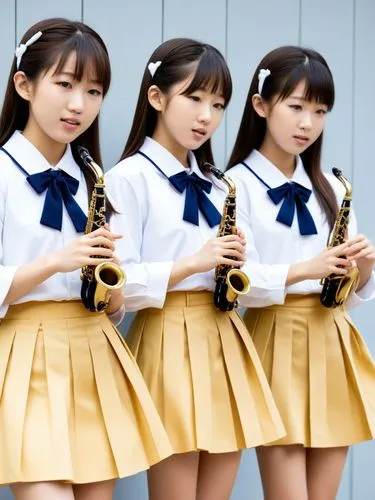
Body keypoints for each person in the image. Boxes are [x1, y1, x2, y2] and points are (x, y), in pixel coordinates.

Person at [105, 38, 285, 500]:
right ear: (157, 97)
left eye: (219, 104)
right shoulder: (128, 178)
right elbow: (118, 281)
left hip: (224, 336)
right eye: (195, 97)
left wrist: (234, 262)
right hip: (167, 338)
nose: (207, 116)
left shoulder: (217, 183)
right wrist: (193, 263)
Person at [0, 17, 171, 500]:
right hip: (25, 356)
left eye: (94, 92)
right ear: (24, 84)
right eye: (65, 84)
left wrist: (112, 295)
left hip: (96, 352)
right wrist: (57, 261)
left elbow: (115, 308)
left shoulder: (95, 178)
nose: (80, 105)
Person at [227, 45, 375, 500]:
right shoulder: (235, 185)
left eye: (320, 110)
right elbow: (237, 283)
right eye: (295, 107)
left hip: (333, 338)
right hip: (276, 337)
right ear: (261, 105)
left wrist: (363, 268)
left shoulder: (330, 186)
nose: (307, 123)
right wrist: (303, 270)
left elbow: (347, 293)